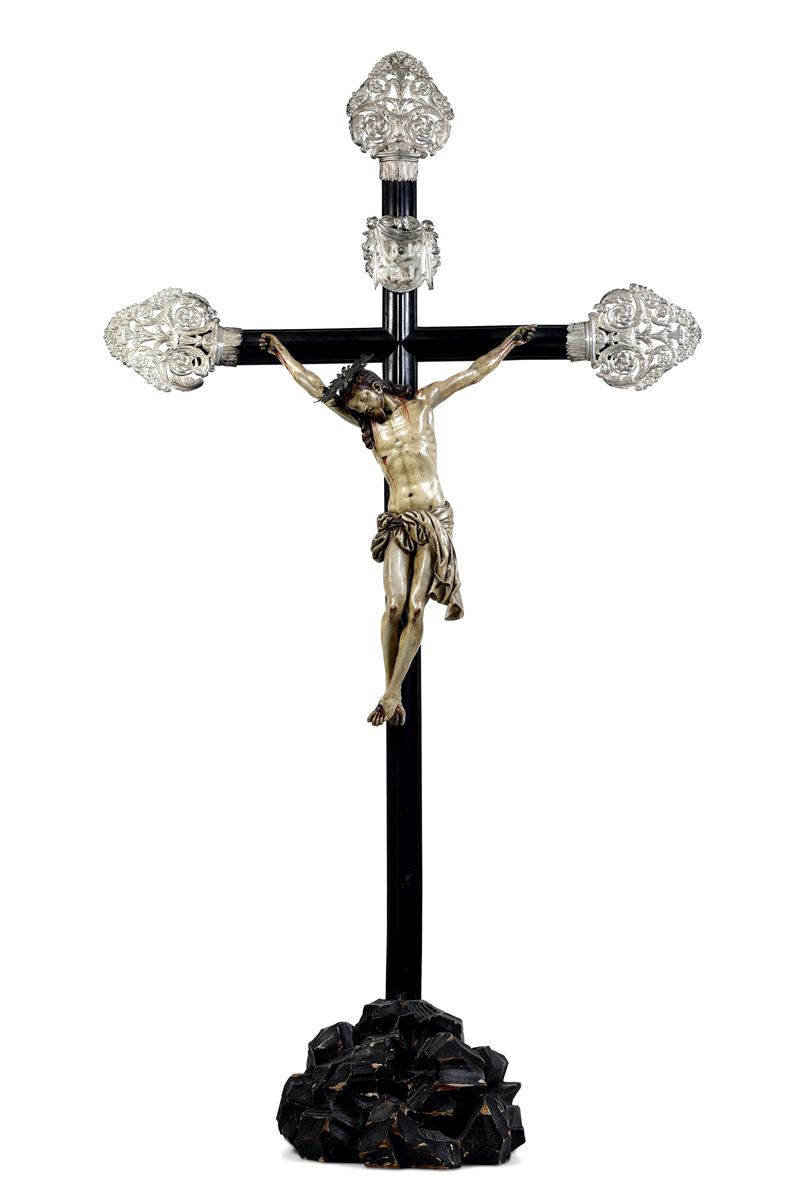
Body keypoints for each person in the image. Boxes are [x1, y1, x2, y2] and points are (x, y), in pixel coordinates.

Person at [260, 325, 536, 726]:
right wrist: (282, 354)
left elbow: (473, 373)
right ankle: (393, 692)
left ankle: (391, 693)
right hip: (397, 521)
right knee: (393, 606)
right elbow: (315, 387)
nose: (363, 409)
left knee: (416, 606)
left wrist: (510, 343)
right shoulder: (368, 426)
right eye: (356, 406)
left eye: (363, 400)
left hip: (433, 518)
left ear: (375, 387)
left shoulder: (422, 403)